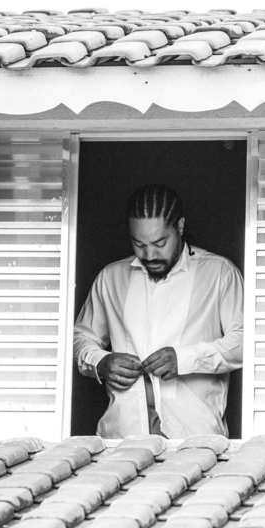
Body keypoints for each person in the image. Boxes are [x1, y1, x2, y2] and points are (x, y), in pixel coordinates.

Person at [72, 184, 243, 439]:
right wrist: (101, 362)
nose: (149, 254)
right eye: (138, 244)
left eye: (160, 243)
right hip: (121, 437)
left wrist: (185, 359)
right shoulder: (110, 278)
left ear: (180, 227)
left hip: (196, 438)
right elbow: (79, 338)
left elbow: (243, 343)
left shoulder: (219, 273)